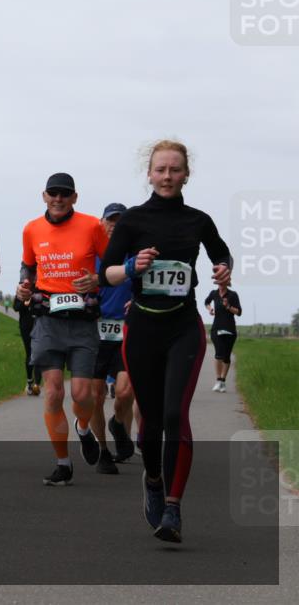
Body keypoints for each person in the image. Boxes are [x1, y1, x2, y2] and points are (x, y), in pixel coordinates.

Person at [100, 139, 232, 543]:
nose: (168, 176)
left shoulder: (198, 220)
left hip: (183, 328)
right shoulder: (132, 221)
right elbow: (107, 273)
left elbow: (221, 253)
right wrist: (131, 266)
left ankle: (173, 507)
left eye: (175, 169)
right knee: (152, 419)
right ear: (150, 174)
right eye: (161, 169)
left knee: (175, 414)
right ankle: (154, 480)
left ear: (186, 175)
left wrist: (223, 269)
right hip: (142, 328)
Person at [16, 173, 109, 486]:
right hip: (47, 320)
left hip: (82, 322)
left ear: (74, 198)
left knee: (83, 394)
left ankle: (83, 428)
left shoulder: (92, 225)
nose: (58, 199)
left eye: (65, 194)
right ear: (44, 196)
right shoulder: (31, 229)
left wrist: (97, 280)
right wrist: (24, 285)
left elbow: (110, 264)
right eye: (53, 193)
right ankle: (63, 463)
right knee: (54, 392)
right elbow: (28, 266)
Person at [89, 203, 136, 474]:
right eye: (111, 220)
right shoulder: (90, 255)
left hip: (126, 332)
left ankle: (118, 424)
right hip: (95, 334)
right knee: (95, 396)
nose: (115, 225)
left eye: (121, 220)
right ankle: (103, 451)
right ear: (101, 223)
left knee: (125, 392)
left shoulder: (135, 256)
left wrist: (138, 301)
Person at [204, 281, 242, 392]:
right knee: (219, 354)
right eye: (219, 283)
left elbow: (239, 312)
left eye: (223, 283)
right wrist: (210, 309)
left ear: (227, 283)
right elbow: (206, 302)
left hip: (229, 329)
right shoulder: (214, 293)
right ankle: (218, 380)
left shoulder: (233, 295)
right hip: (216, 328)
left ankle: (223, 381)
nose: (220, 285)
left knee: (226, 356)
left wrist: (228, 306)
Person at [13, 294, 41, 396]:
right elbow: (16, 307)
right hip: (26, 327)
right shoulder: (22, 291)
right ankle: (29, 381)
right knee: (30, 354)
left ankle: (37, 384)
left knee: (39, 354)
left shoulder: (41, 289)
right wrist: (25, 303)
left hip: (40, 326)